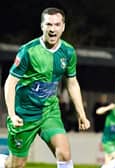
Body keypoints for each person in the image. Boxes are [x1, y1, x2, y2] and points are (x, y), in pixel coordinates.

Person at [1, 7, 90, 168]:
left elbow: (72, 82)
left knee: (64, 153)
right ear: (42, 26)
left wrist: (81, 114)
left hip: (49, 111)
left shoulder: (68, 52)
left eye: (57, 25)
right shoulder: (28, 51)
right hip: (24, 115)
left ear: (63, 27)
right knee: (16, 165)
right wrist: (12, 114)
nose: (52, 29)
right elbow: (10, 83)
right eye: (49, 24)